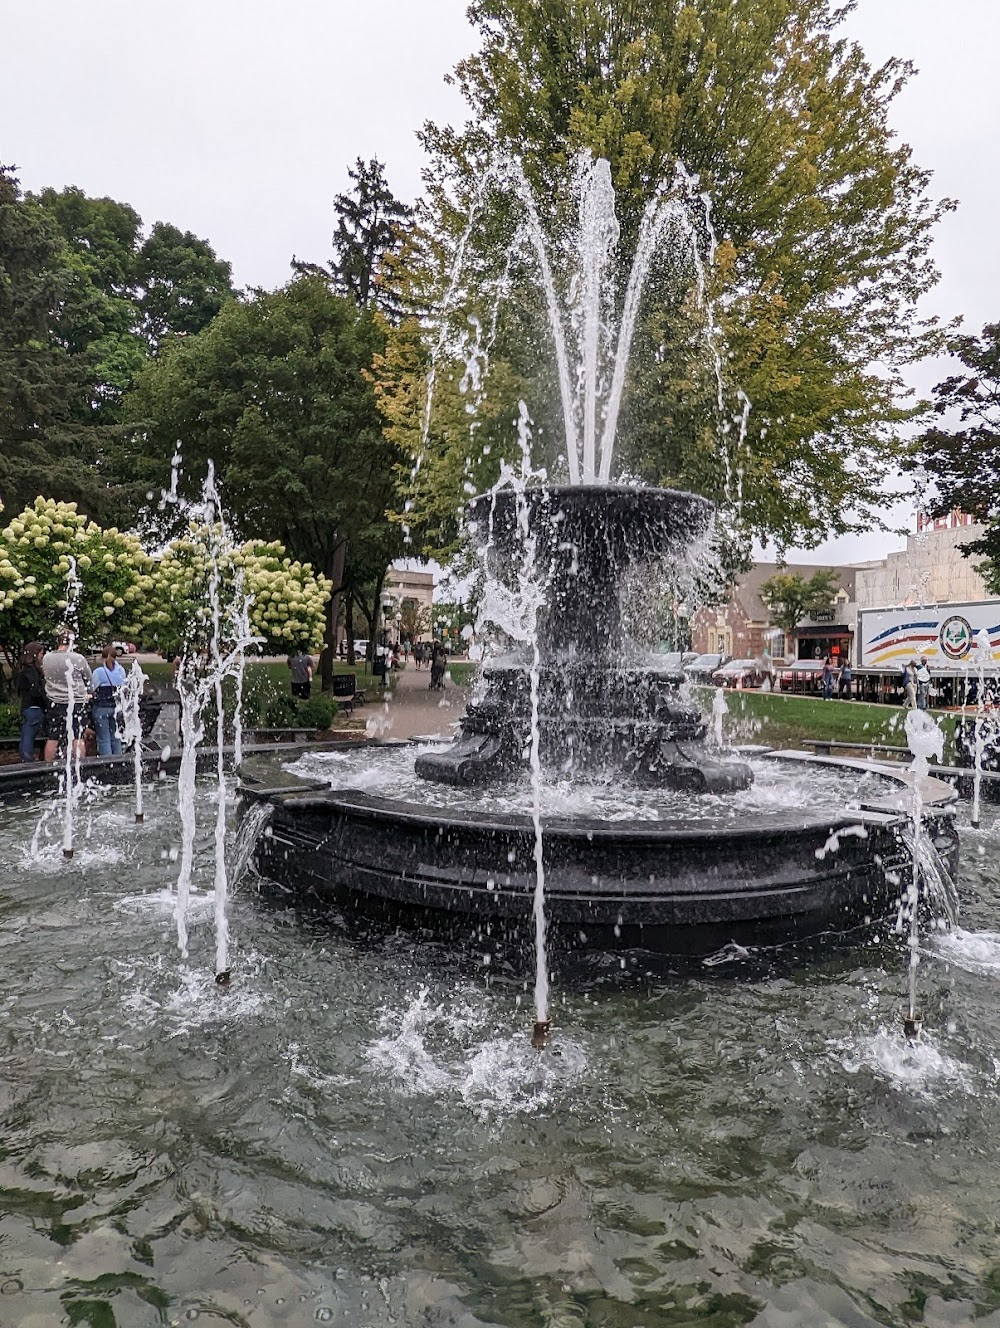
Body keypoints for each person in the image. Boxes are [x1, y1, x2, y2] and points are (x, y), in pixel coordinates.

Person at [41, 630, 92, 762]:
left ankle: (49, 766)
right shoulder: (78, 658)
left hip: (54, 701)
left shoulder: (46, 658)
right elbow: (89, 680)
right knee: (77, 735)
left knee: (53, 736)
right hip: (76, 701)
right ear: (72, 642)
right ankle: (80, 766)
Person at [90, 645, 127, 756]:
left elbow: (91, 688)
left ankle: (107, 763)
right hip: (116, 708)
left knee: (103, 738)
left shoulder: (99, 672)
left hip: (101, 708)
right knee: (116, 737)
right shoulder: (121, 671)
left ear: (102, 658)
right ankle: (118, 761)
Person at [17, 641, 48, 762]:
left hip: (28, 707)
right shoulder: (32, 672)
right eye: (41, 654)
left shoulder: (24, 671)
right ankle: (27, 759)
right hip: (34, 707)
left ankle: (26, 757)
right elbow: (36, 691)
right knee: (29, 736)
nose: (42, 656)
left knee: (27, 734)